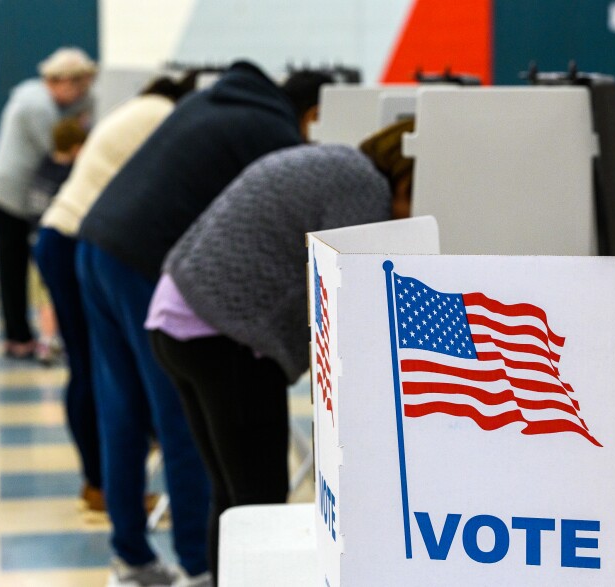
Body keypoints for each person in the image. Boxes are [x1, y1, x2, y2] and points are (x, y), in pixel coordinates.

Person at [75, 61, 332, 586]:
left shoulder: (214, 104)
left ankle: (132, 557)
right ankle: (198, 567)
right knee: (184, 422)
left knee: (123, 410)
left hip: (97, 244)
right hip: (148, 261)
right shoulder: (271, 132)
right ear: (314, 116)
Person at [147, 119, 415, 583]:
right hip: (223, 334)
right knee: (259, 501)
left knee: (235, 501)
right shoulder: (365, 188)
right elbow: (349, 290)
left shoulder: (332, 161)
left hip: (177, 318)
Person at [33, 73, 199, 513]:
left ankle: (98, 483)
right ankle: (102, 484)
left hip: (62, 235)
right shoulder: (163, 117)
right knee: (95, 371)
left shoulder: (132, 111)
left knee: (89, 368)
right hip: (76, 238)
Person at [0, 47, 96, 359]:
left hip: (17, 193)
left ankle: (22, 335)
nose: (83, 94)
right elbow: (62, 149)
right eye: (79, 86)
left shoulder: (38, 96)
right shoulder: (38, 107)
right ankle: (18, 338)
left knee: (20, 269)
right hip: (8, 196)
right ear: (61, 81)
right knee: (13, 268)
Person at [27, 117, 87, 365]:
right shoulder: (70, 175)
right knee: (54, 295)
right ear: (76, 148)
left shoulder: (44, 165)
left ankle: (45, 339)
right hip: (54, 242)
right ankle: (54, 340)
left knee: (42, 297)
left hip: (33, 239)